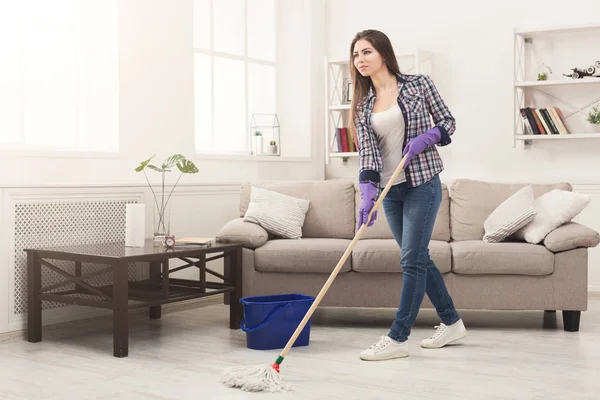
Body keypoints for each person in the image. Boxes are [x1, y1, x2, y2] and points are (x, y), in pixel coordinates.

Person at [349, 29, 467, 361]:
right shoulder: (362, 104)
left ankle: (397, 338)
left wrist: (428, 137)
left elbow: (448, 121)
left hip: (422, 183)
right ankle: (452, 322)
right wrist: (368, 193)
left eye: (367, 52)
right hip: (391, 189)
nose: (360, 60)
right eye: (356, 55)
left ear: (383, 53)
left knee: (411, 260)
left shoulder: (418, 84)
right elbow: (368, 154)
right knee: (418, 258)